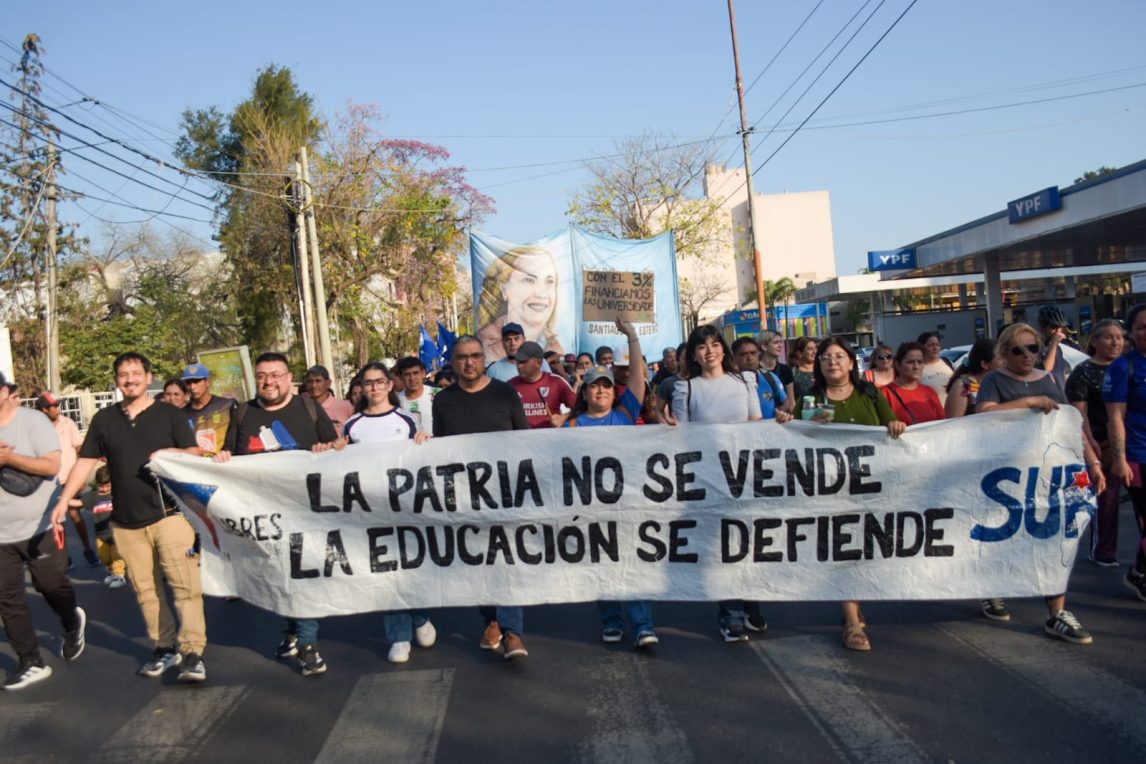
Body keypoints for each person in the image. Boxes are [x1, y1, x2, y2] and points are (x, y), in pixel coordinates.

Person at [52, 352, 206, 682]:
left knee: (185, 588)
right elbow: (85, 462)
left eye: (137, 373)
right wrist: (65, 499)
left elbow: (195, 454)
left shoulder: (169, 415)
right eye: (124, 374)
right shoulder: (105, 420)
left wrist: (169, 454)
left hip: (170, 515)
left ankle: (193, 653)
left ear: (148, 378)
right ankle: (165, 648)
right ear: (117, 380)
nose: (130, 378)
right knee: (146, 592)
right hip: (126, 521)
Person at [217, 352, 344, 676]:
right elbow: (231, 458)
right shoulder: (243, 413)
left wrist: (327, 448)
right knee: (282, 576)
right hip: (265, 517)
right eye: (262, 375)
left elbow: (337, 447)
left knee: (302, 575)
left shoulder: (307, 408)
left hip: (305, 513)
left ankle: (307, 644)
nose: (269, 381)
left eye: (275, 374)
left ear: (289, 378)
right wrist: (221, 460)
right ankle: (293, 629)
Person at [976, 322, 1104, 641]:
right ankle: (991, 587)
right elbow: (984, 414)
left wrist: (1094, 463)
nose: (1027, 355)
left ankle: (1057, 612)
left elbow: (1069, 424)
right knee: (1004, 535)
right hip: (1006, 474)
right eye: (1018, 350)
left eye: (1033, 348)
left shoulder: (1047, 379)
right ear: (1004, 353)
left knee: (1053, 539)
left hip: (1048, 473)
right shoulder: (994, 380)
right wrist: (1028, 404)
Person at [668, 325, 779, 643]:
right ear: (693, 354)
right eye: (702, 347)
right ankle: (730, 616)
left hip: (747, 476)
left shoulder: (746, 380)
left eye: (715, 344)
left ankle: (752, 605)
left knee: (750, 545)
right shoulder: (685, 389)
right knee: (723, 549)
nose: (710, 351)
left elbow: (755, 423)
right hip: (709, 478)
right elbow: (683, 440)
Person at [797, 338, 904, 651]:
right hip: (830, 490)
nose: (833, 362)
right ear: (818, 365)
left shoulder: (870, 393)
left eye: (839, 357)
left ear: (851, 362)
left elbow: (891, 424)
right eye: (826, 357)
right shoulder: (811, 397)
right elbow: (794, 438)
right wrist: (802, 423)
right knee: (842, 549)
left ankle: (854, 603)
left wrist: (896, 424)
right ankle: (851, 620)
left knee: (865, 547)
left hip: (870, 488)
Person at [432, 334, 531, 660]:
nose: (469, 362)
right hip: (464, 497)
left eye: (475, 355)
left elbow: (525, 440)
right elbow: (441, 450)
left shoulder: (505, 393)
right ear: (454, 362)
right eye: (462, 357)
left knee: (507, 560)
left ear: (484, 359)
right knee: (478, 561)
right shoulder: (443, 401)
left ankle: (513, 630)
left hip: (506, 492)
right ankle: (491, 620)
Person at [564, 319, 658, 647]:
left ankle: (643, 626)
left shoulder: (626, 413)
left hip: (629, 505)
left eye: (605, 385)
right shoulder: (572, 427)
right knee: (602, 566)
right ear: (585, 392)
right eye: (594, 386)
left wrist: (631, 336)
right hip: (593, 509)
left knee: (633, 565)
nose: (601, 390)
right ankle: (611, 621)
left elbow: (636, 377)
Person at [342, 362, 435, 663]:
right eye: (368, 383)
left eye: (379, 382)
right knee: (385, 573)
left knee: (410, 569)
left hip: (406, 507)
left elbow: (422, 457)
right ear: (362, 388)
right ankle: (398, 636)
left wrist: (424, 442)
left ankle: (419, 617)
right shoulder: (352, 425)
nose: (374, 388)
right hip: (372, 510)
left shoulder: (407, 420)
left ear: (389, 385)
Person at [0, 371, 85, 690]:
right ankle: (30, 661)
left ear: (6, 391)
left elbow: (51, 466)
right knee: (7, 597)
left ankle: (71, 620)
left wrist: (9, 458)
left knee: (50, 586)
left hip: (40, 524)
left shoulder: (32, 421)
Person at [1067, 319, 1124, 567]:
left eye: (1119, 336)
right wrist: (1091, 443)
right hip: (1102, 441)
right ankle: (1104, 550)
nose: (1115, 342)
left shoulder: (1129, 367)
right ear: (1094, 341)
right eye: (1108, 336)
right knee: (1107, 499)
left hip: (1133, 440)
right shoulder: (1084, 371)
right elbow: (1079, 413)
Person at [1104, 304, 1146, 602]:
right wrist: (1119, 459)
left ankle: (1139, 571)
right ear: (1132, 332)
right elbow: (1115, 417)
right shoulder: (1123, 367)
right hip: (1138, 455)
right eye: (1142, 327)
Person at [34, 392, 96, 567]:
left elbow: (78, 448)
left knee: (75, 514)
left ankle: (88, 550)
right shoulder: (37, 427)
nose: (57, 409)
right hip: (48, 480)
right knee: (54, 519)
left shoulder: (67, 423)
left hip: (70, 477)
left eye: (57, 405)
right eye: (53, 406)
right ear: (44, 409)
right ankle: (63, 556)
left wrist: (81, 475)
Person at [476, 244, 563, 362]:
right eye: (529, 280)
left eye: (549, 282)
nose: (541, 294)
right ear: (504, 289)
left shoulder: (556, 348)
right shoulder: (484, 346)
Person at [76, 465, 126, 588]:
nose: (104, 489)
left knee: (117, 556)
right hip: (101, 535)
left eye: (107, 486)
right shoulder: (94, 496)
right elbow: (79, 503)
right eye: (101, 486)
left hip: (116, 533)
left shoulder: (118, 494)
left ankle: (120, 576)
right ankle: (111, 572)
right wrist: (64, 500)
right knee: (105, 557)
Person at [508, 341, 578, 428]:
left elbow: (580, 408)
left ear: (538, 363)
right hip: (520, 440)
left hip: (550, 439)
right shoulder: (509, 386)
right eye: (518, 362)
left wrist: (563, 417)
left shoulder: (556, 382)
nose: (519, 366)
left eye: (523, 362)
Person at [182, 362, 239, 458]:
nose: (192, 387)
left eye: (196, 381)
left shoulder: (227, 405)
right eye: (188, 383)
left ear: (207, 382)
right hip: (198, 467)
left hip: (226, 463)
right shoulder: (182, 414)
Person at [882, 342, 946, 425]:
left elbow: (941, 423)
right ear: (898, 365)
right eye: (910, 362)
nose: (916, 367)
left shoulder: (930, 391)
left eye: (920, 362)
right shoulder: (884, 393)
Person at [732, 336, 787, 419]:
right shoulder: (730, 382)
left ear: (758, 355)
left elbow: (785, 402)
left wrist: (780, 414)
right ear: (734, 358)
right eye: (743, 354)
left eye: (753, 353)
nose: (750, 358)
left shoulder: (770, 377)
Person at [944, 339, 996, 418]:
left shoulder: (993, 382)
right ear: (985, 364)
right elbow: (953, 421)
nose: (1006, 363)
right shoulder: (965, 384)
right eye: (1001, 359)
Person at [486, 322, 552, 382]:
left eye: (516, 338)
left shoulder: (539, 362)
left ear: (524, 340)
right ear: (503, 343)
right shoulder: (494, 371)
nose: (512, 343)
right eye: (508, 340)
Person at [305, 365, 355, 435]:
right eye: (310, 381)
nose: (313, 385)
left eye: (318, 381)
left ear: (328, 383)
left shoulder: (346, 407)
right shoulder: (302, 408)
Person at [395, 357, 440, 435]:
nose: (412, 378)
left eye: (415, 373)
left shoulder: (439, 395)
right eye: (407, 374)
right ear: (401, 377)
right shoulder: (396, 401)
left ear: (423, 373)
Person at [1038, 305, 1074, 394]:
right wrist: (1054, 343)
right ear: (1042, 328)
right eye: (1053, 328)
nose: (1057, 332)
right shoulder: (1036, 348)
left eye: (1060, 328)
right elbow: (1046, 370)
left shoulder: (1060, 348)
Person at [757, 330, 795, 412]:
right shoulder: (755, 370)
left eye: (781, 342)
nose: (780, 346)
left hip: (782, 417)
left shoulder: (785, 370)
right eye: (776, 342)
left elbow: (791, 402)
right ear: (764, 346)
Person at [918, 332, 954, 405]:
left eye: (937, 345)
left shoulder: (947, 362)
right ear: (921, 347)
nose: (935, 348)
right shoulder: (917, 368)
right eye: (930, 345)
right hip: (932, 413)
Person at [791, 336, 818, 401]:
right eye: (810, 349)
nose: (815, 352)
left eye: (816, 348)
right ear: (799, 353)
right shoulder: (793, 373)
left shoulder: (823, 370)